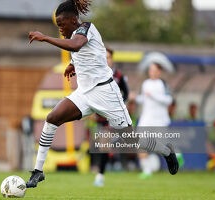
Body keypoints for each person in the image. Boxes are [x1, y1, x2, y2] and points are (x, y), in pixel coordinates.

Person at [26, 0, 178, 188]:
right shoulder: (74, 34)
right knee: (52, 118)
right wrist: (73, 65)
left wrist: (45, 38)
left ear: (73, 20)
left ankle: (166, 150)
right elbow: (86, 53)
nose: (60, 29)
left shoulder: (86, 28)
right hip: (84, 94)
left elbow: (76, 45)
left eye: (61, 25)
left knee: (131, 140)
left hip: (106, 93)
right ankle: (38, 171)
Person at [93, 47, 129, 187]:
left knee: (105, 144)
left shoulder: (118, 76)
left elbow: (125, 92)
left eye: (108, 57)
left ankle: (100, 175)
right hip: (101, 117)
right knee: (104, 146)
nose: (106, 59)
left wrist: (119, 103)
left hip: (115, 116)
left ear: (112, 59)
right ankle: (101, 174)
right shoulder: (96, 75)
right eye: (104, 57)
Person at [135, 63, 174, 179]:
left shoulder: (163, 84)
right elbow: (143, 98)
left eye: (154, 70)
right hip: (146, 118)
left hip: (159, 119)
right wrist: (135, 98)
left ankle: (177, 155)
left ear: (159, 71)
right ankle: (147, 170)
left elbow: (169, 100)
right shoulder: (145, 83)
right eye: (150, 69)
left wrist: (153, 95)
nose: (151, 72)